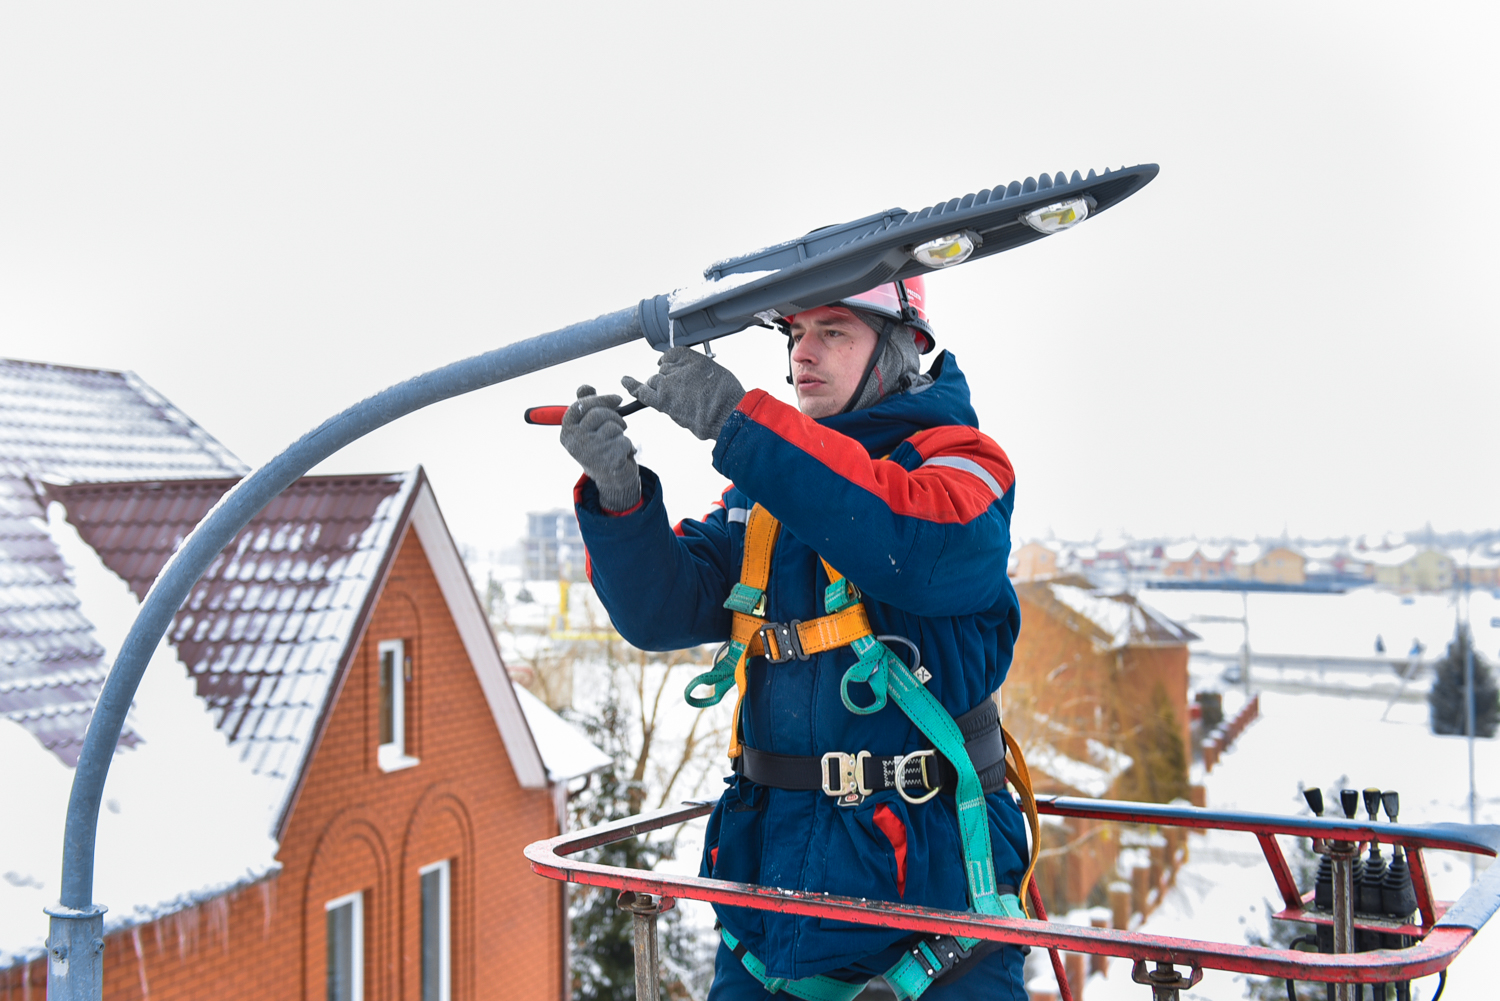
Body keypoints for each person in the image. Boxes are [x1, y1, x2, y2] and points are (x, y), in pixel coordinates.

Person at [561, 276, 1032, 1000]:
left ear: (902, 348)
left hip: (932, 917)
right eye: (793, 334)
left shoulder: (963, 464)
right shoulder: (764, 497)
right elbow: (662, 610)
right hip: (769, 912)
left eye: (833, 331)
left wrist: (739, 425)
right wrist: (619, 497)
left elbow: (913, 543)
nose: (803, 353)